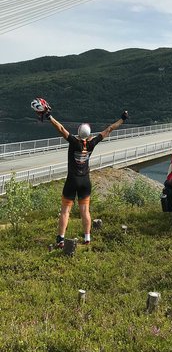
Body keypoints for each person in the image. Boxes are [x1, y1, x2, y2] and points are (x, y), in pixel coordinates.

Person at [36, 101, 128, 248]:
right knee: (85, 211)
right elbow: (109, 129)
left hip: (72, 180)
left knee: (65, 211)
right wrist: (122, 119)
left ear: (78, 132)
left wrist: (49, 116)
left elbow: (60, 128)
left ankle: (60, 239)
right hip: (85, 181)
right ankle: (87, 238)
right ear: (89, 134)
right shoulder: (92, 144)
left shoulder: (73, 142)